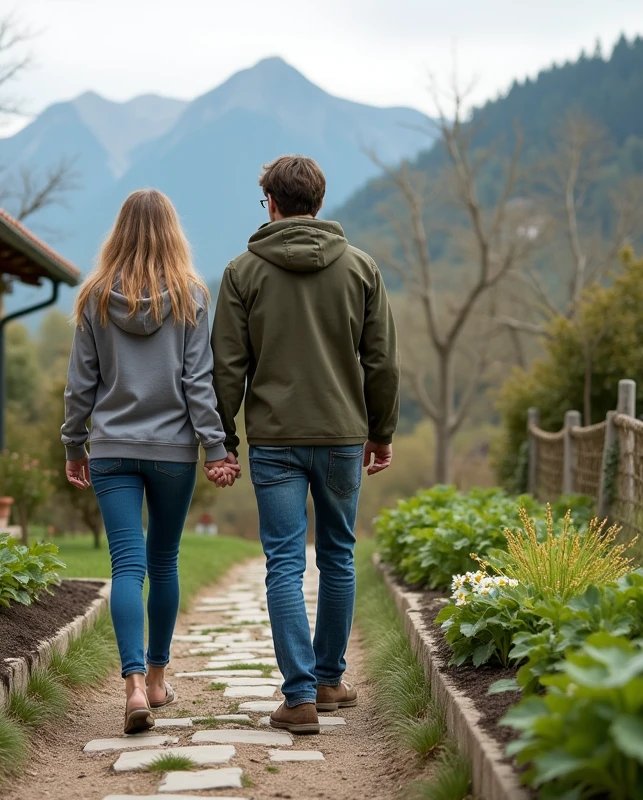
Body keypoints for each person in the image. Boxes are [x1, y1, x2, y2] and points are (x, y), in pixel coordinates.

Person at [211, 155, 400, 734]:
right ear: (318, 201)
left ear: (270, 202)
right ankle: (329, 680)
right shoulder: (362, 269)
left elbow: (226, 368)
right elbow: (382, 361)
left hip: (274, 441)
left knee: (285, 564)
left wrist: (223, 439)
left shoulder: (243, 272)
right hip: (343, 436)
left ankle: (298, 699)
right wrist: (381, 431)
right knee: (338, 554)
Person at [62, 189, 239, 734]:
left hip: (112, 450)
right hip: (171, 453)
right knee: (163, 562)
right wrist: (216, 447)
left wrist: (74, 443)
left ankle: (133, 686)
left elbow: (80, 384)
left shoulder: (94, 297)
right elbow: (196, 382)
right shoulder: (190, 296)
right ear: (173, 232)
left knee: (126, 566)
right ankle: (159, 682)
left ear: (118, 232)